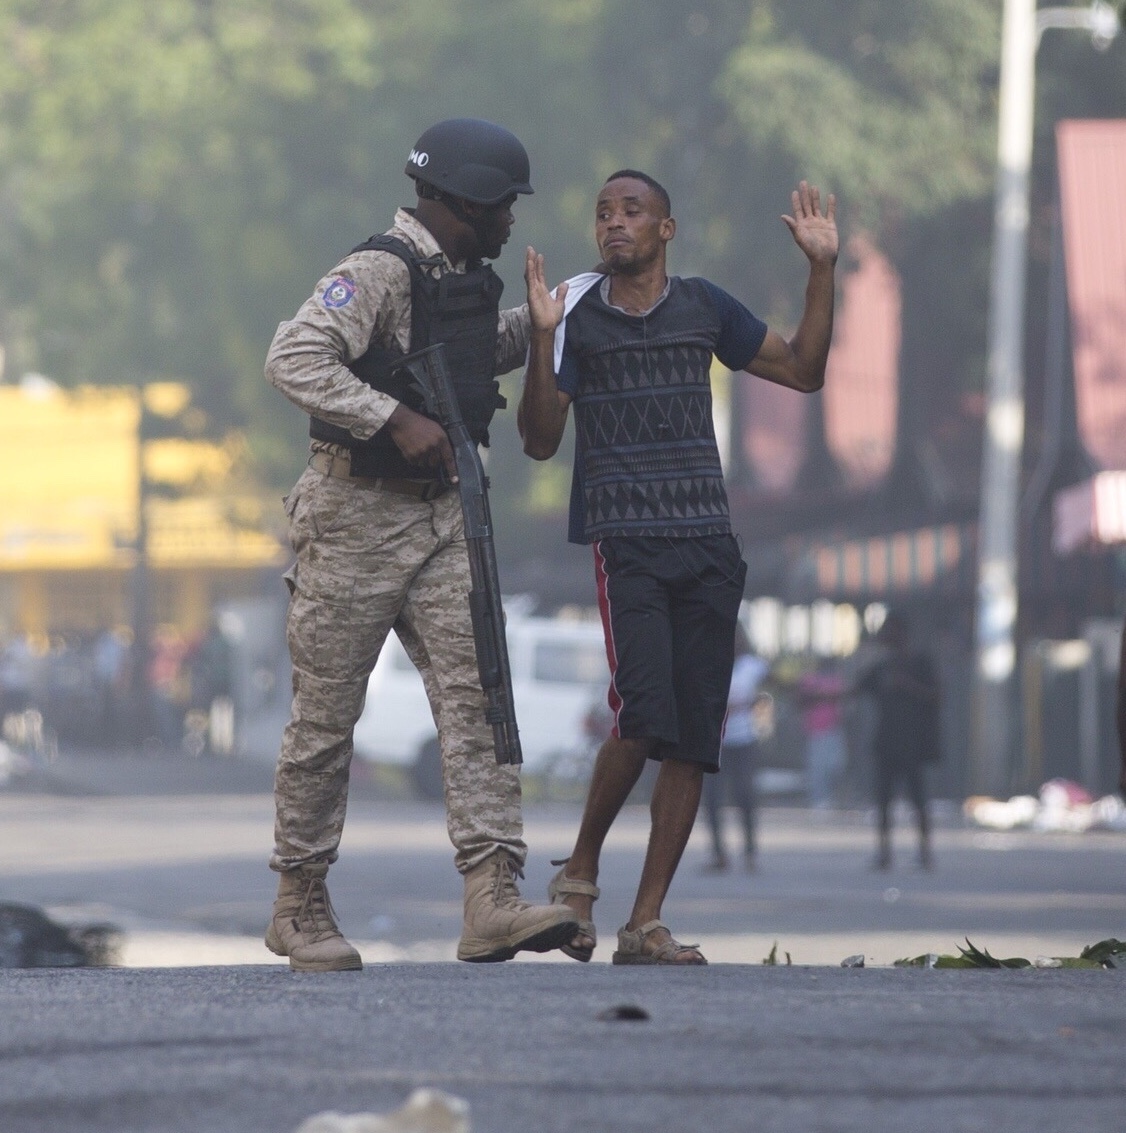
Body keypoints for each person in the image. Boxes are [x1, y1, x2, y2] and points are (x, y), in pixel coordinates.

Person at [262, 118, 578, 971]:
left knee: (479, 705)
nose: (512, 222)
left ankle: (491, 895)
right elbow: (293, 356)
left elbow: (472, 357)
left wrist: (542, 325)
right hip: (355, 517)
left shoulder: (461, 280)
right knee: (327, 724)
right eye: (504, 206)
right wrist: (389, 417)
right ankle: (299, 901)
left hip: (445, 520)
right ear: (465, 202)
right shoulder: (375, 271)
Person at [519, 170, 837, 964]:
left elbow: (803, 368)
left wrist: (821, 269)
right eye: (602, 213)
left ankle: (646, 922)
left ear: (666, 229)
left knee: (695, 738)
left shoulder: (704, 307)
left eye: (631, 211)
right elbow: (538, 438)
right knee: (644, 715)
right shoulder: (576, 316)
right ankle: (581, 871)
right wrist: (541, 337)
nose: (613, 224)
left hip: (708, 546)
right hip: (627, 543)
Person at [852, 611, 940, 871]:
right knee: (883, 801)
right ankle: (884, 853)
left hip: (913, 744)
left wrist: (908, 686)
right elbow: (854, 689)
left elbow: (937, 696)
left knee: (918, 800)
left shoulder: (921, 663)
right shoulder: (881, 667)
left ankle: (925, 852)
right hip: (886, 743)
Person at [701, 623, 768, 873]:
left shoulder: (754, 666)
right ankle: (719, 854)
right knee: (713, 799)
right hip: (716, 741)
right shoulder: (710, 664)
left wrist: (755, 704)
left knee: (745, 794)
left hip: (744, 740)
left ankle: (750, 852)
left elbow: (772, 688)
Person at [798, 658, 847, 811]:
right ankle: (818, 799)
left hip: (833, 729)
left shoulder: (836, 681)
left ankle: (832, 796)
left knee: (835, 765)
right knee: (817, 768)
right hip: (816, 730)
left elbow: (841, 702)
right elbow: (803, 700)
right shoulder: (809, 680)